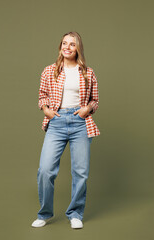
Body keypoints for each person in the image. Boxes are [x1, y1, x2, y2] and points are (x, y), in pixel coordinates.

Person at [31, 31, 100, 229]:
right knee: (45, 170)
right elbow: (42, 96)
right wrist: (47, 111)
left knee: (81, 172)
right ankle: (44, 213)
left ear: (78, 48)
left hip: (80, 123)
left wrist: (87, 108)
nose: (67, 47)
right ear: (60, 46)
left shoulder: (88, 72)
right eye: (64, 43)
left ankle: (75, 213)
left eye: (72, 44)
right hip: (57, 122)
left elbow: (95, 100)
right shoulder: (49, 71)